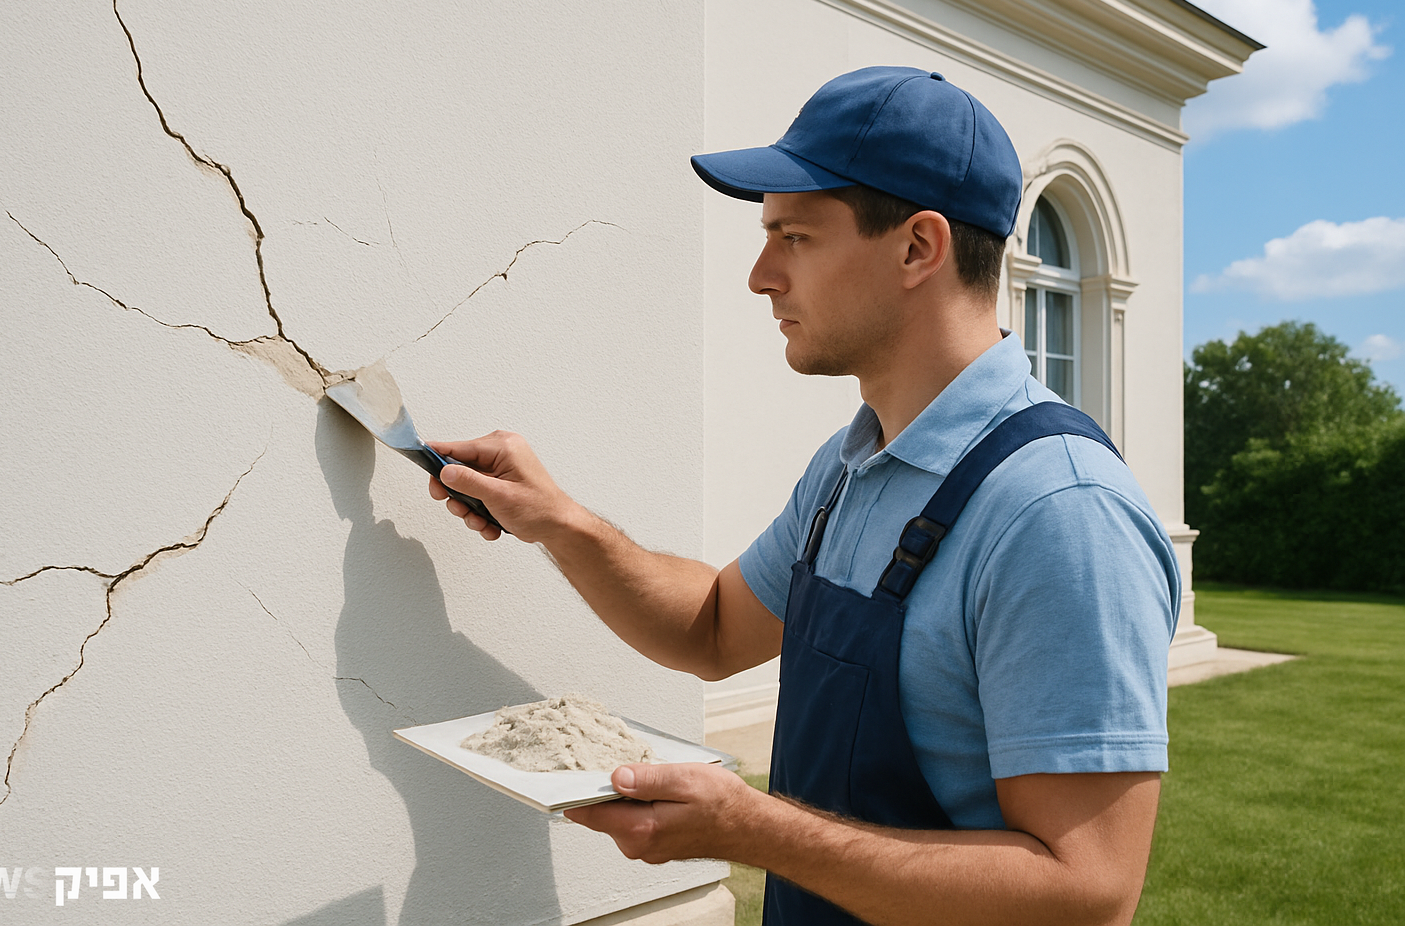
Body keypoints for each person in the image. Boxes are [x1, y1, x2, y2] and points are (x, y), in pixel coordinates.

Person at [427, 66, 1180, 926]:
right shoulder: (851, 466)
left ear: (917, 248)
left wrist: (756, 830)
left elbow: (1088, 891)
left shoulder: (1057, 513)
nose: (759, 274)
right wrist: (558, 521)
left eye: (796, 237)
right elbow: (711, 627)